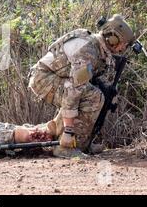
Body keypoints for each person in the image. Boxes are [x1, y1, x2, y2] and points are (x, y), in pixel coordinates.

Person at [28, 14, 136, 158]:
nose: (124, 48)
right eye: (123, 43)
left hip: (53, 77)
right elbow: (74, 90)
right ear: (113, 38)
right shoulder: (88, 50)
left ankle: (82, 144)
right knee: (93, 96)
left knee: (98, 93)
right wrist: (68, 131)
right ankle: (66, 146)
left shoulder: (97, 47)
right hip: (42, 79)